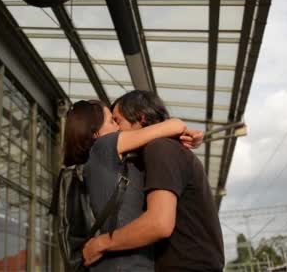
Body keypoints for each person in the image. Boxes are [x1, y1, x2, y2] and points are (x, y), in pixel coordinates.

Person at [82, 90, 225, 272]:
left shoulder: (160, 149)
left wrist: (101, 243)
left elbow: (159, 224)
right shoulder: (164, 151)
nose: (116, 130)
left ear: (141, 119)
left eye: (118, 121)